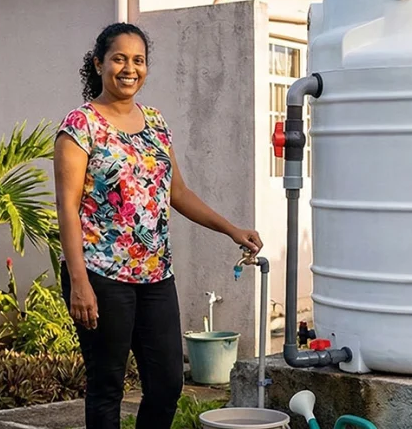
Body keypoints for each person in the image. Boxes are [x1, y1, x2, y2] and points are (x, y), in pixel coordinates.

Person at [53, 22, 263, 429]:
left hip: (155, 275)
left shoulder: (155, 122)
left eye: (138, 60)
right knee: (107, 386)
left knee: (167, 384)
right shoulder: (80, 126)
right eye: (118, 58)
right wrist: (79, 281)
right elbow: (66, 207)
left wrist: (231, 229)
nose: (129, 68)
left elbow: (177, 191)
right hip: (101, 275)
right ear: (98, 64)